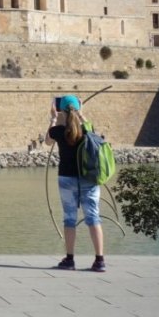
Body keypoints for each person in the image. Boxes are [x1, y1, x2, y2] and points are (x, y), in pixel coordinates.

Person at [47, 94, 106, 272]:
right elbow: (94, 134)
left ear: (62, 109)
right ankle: (99, 260)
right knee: (93, 218)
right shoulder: (87, 129)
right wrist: (81, 114)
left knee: (69, 219)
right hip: (89, 178)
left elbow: (47, 141)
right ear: (77, 108)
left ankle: (70, 259)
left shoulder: (58, 130)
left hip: (66, 179)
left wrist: (53, 118)